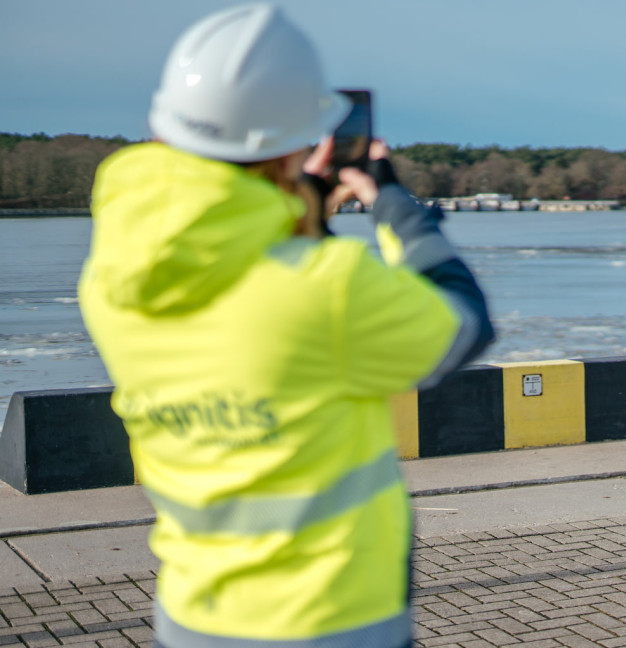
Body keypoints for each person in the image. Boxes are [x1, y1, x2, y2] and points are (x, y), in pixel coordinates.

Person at [78, 5, 493, 647]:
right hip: (332, 619)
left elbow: (247, 269)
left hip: (194, 614)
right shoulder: (328, 285)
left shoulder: (112, 274)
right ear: (297, 145)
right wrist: (394, 205)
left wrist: (298, 209)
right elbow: (464, 327)